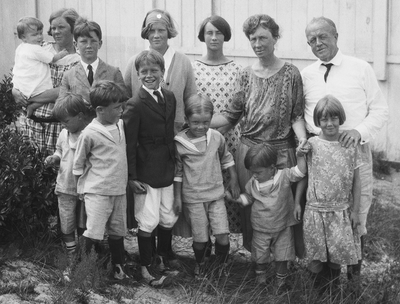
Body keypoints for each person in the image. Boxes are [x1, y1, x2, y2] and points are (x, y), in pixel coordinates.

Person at [211, 14, 307, 252]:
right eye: (252, 39)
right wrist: (195, 121)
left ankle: (283, 262)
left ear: (275, 38)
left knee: (281, 208)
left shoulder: (292, 73)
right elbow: (231, 115)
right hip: (251, 154)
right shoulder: (244, 74)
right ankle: (258, 262)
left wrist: (303, 139)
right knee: (253, 206)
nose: (257, 44)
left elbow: (296, 115)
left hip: (281, 153)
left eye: (263, 37)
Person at [301, 16, 388, 278]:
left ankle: (352, 280)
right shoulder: (306, 74)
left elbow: (380, 111)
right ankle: (325, 280)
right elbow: (304, 114)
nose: (318, 43)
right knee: (323, 214)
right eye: (311, 40)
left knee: (355, 213)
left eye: (323, 37)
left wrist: (357, 130)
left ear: (336, 36)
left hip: (354, 149)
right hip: (320, 154)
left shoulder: (360, 68)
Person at [124, 8, 197, 234]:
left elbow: (191, 98)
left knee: (169, 203)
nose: (156, 35)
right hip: (145, 147)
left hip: (172, 142)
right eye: (151, 30)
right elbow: (127, 99)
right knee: (147, 203)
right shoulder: (135, 62)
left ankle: (166, 252)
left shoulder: (183, 62)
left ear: (169, 32)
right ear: (146, 34)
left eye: (161, 30)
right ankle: (148, 254)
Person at [123, 50, 177, 287]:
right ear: (137, 74)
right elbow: (129, 143)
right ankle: (145, 266)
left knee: (168, 216)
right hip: (146, 170)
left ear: (162, 72)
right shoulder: (135, 104)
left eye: (154, 70)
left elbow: (169, 133)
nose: (149, 75)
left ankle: (162, 259)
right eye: (143, 71)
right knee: (148, 219)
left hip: (167, 166)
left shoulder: (170, 97)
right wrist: (132, 176)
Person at [296, 95, 362, 291]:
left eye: (334, 118)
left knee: (335, 256)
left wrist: (356, 211)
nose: (329, 123)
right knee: (316, 256)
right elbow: (303, 175)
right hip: (315, 211)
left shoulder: (349, 146)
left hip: (339, 211)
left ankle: (332, 292)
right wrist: (297, 202)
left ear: (340, 118)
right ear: (318, 121)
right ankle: (316, 292)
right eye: (324, 119)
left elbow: (357, 182)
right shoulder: (312, 144)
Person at [174, 95, 239, 278]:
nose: (201, 127)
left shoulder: (216, 137)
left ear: (211, 119)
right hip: (193, 198)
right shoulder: (179, 143)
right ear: (187, 120)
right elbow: (178, 173)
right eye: (195, 122)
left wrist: (234, 179)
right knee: (200, 237)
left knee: (222, 233)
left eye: (206, 122)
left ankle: (221, 265)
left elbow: (227, 158)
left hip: (216, 195)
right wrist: (178, 198)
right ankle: (201, 264)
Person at [227, 143, 306, 293]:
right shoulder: (253, 183)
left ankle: (281, 282)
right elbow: (248, 198)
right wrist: (236, 199)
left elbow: (301, 172)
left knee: (282, 255)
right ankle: (260, 280)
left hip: (282, 226)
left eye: (258, 172)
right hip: (260, 228)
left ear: (271, 168)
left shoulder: (284, 176)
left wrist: (300, 155)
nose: (254, 175)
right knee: (260, 256)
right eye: (252, 172)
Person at [73, 80, 129, 281]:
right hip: (97, 191)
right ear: (100, 110)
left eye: (121, 106)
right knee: (94, 231)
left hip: (119, 190)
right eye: (116, 108)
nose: (121, 110)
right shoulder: (89, 133)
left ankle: (118, 269)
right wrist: (81, 188)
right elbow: (78, 164)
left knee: (117, 231)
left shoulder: (120, 124)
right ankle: (76, 270)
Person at [193, 15, 242, 233]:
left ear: (225, 36)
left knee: (230, 182)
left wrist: (228, 127)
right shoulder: (192, 68)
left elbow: (241, 106)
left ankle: (226, 241)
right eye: (209, 32)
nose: (214, 37)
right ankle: (204, 242)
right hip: (202, 136)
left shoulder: (238, 69)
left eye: (219, 32)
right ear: (202, 36)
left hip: (231, 136)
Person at [12, 8, 81, 156]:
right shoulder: (39, 47)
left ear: (73, 29)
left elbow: (65, 90)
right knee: (29, 171)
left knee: (56, 172)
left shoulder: (79, 59)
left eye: (61, 27)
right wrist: (14, 90)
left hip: (58, 128)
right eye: (53, 28)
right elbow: (23, 71)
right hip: (30, 124)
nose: (56, 31)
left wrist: (31, 97)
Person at [44, 92, 94, 281]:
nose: (63, 125)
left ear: (80, 117)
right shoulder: (64, 133)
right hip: (65, 187)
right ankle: (72, 257)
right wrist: (54, 158)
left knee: (84, 225)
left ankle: (85, 258)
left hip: (84, 190)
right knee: (66, 224)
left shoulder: (88, 134)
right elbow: (59, 151)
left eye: (66, 120)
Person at [12, 17, 69, 117]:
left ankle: (31, 105)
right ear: (24, 37)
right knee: (48, 91)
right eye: (34, 35)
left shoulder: (20, 48)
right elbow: (51, 59)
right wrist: (62, 54)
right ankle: (33, 106)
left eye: (40, 33)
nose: (39, 37)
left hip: (22, 84)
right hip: (34, 84)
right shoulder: (35, 48)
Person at [58, 18, 126, 102]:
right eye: (84, 41)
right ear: (76, 45)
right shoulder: (68, 76)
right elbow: (62, 107)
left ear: (100, 44)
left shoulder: (114, 72)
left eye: (93, 41)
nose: (89, 46)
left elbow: (123, 103)